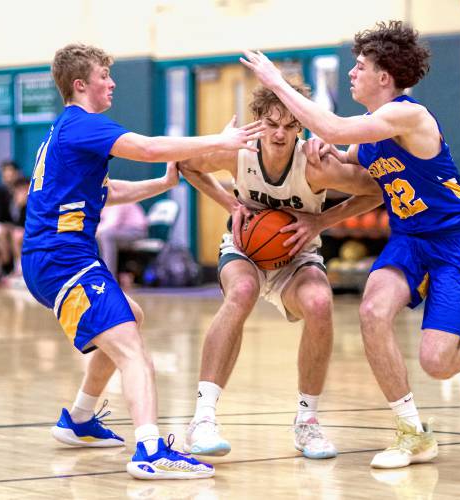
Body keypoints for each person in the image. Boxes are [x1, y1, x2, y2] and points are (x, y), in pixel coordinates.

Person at [241, 20, 460, 469]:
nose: (352, 73)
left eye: (359, 66)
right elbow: (346, 153)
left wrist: (277, 83)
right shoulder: (373, 129)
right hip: (409, 240)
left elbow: (333, 128)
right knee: (372, 312)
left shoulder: (409, 116)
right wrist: (323, 160)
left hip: (453, 244)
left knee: (437, 362)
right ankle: (412, 432)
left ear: (383, 78)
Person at [21, 43, 264, 480]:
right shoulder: (82, 125)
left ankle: (78, 419)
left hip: (54, 259)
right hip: (62, 260)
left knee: (129, 316)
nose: (111, 83)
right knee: (134, 350)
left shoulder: (65, 130)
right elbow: (149, 146)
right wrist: (221, 140)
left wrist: (165, 183)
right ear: (80, 85)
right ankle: (150, 450)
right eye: (103, 77)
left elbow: (107, 193)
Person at [177, 83, 382, 460]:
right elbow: (186, 164)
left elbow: (375, 191)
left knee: (320, 302)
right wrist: (229, 203)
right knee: (241, 294)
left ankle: (307, 422)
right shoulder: (238, 152)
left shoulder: (315, 163)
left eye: (290, 126)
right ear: (258, 122)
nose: (279, 134)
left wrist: (320, 221)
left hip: (297, 257)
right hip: (246, 252)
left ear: (301, 128)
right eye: (272, 124)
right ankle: (202, 419)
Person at [96, 202, 148, 276]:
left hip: (136, 232)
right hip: (120, 231)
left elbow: (111, 224)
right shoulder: (105, 203)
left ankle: (108, 276)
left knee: (106, 235)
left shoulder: (119, 198)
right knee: (100, 237)